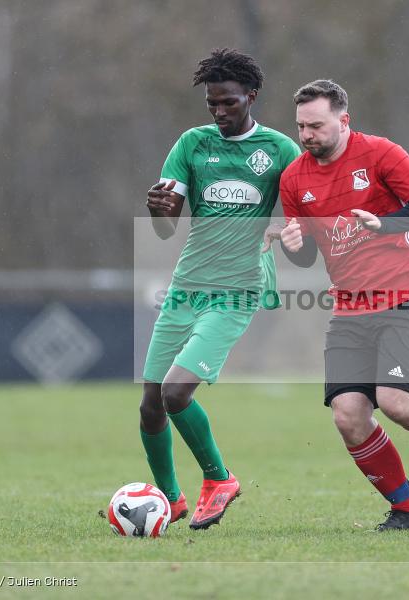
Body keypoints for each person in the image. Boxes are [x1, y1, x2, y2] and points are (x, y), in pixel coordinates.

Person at [272, 79, 409, 530]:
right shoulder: (293, 178)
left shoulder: (381, 153)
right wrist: (292, 245)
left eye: (316, 126)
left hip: (405, 292)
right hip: (350, 307)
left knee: (397, 403)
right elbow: (307, 254)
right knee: (348, 415)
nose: (306, 135)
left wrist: (383, 223)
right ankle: (406, 513)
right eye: (301, 126)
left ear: (344, 120)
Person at [140, 49, 300, 530]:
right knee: (151, 406)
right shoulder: (192, 144)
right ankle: (171, 499)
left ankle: (219, 479)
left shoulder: (280, 151)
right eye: (212, 102)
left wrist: (291, 233)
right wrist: (158, 211)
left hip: (238, 288)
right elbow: (166, 228)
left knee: (175, 392)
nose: (219, 111)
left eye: (228, 101)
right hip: (187, 285)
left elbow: (304, 228)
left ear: (251, 96)